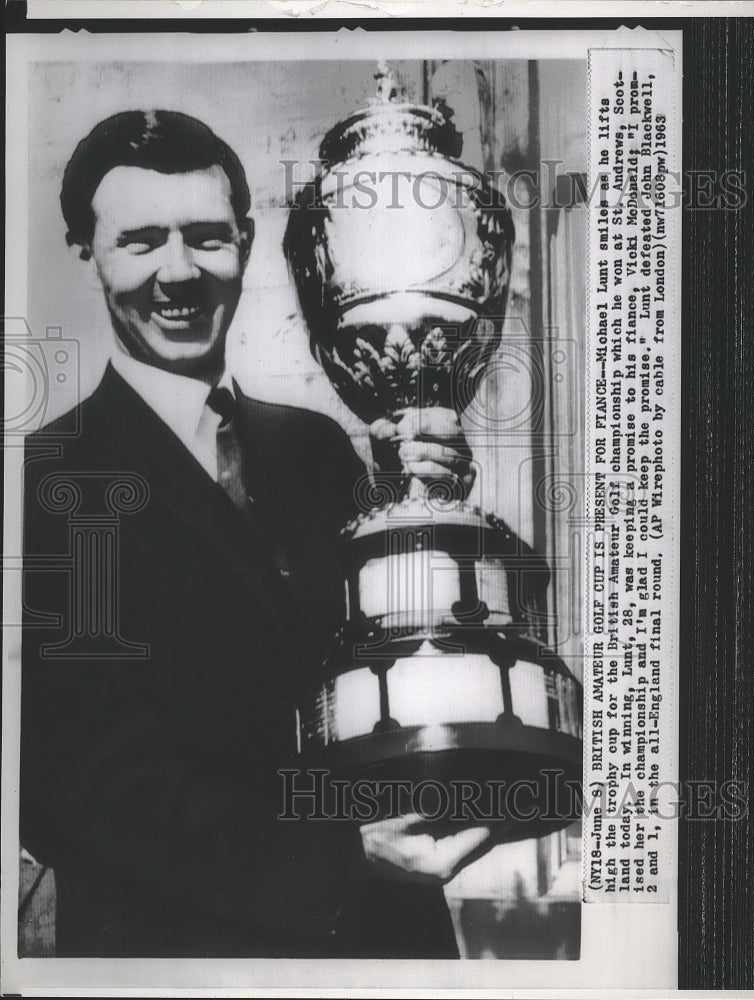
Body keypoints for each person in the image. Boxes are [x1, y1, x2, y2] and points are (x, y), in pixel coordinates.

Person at [20, 110, 497, 959]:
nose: (179, 273)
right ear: (84, 250)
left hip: (386, 943)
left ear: (244, 239)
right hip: (187, 953)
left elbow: (391, 661)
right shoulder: (58, 478)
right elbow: (85, 787)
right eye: (140, 242)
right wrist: (341, 859)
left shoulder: (314, 444)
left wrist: (430, 506)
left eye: (206, 238)